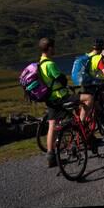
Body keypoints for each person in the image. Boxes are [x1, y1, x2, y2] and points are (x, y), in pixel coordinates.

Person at [37, 37, 79, 168]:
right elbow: (62, 80)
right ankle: (75, 141)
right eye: (53, 48)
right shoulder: (50, 64)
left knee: (52, 125)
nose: (54, 50)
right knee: (88, 99)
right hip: (60, 97)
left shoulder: (41, 63)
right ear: (49, 48)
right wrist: (63, 79)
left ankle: (51, 156)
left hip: (50, 99)